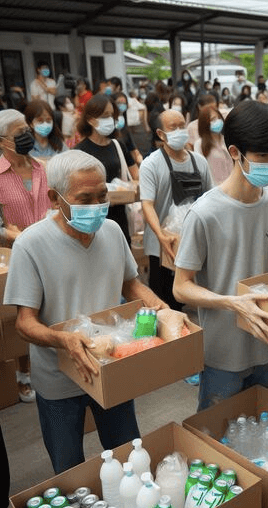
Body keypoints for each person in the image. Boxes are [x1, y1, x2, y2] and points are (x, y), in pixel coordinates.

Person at [3, 149, 173, 474]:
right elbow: (25, 324)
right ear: (54, 198)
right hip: (59, 378)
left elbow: (131, 284)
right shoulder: (31, 245)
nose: (96, 206)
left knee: (128, 455)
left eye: (102, 195)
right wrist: (63, 339)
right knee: (69, 468)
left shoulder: (111, 231)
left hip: (112, 365)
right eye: (84, 198)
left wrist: (161, 308)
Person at [172, 100, 268, 410]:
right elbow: (181, 286)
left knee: (263, 429)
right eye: (262, 155)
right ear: (234, 152)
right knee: (217, 436)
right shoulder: (205, 213)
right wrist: (231, 302)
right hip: (222, 352)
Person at [0, 109, 53, 404]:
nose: (26, 137)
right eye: (18, 133)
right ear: (2, 141)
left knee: (49, 310)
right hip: (16, 255)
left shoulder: (41, 168)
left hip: (47, 250)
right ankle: (23, 373)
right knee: (23, 314)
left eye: (26, 131)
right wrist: (7, 232)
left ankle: (47, 367)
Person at [139, 109, 213, 311]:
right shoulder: (151, 165)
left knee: (192, 296)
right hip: (161, 245)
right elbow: (147, 204)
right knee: (163, 302)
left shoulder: (200, 162)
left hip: (193, 241)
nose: (180, 131)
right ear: (161, 134)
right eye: (174, 127)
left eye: (182, 126)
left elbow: (210, 199)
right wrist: (161, 235)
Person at [75, 93, 138, 246]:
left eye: (112, 115)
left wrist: (129, 189)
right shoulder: (79, 151)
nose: (110, 120)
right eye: (105, 116)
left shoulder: (118, 145)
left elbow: (136, 175)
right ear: (91, 119)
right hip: (93, 218)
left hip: (119, 216)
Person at [194, 105, 231, 185]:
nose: (217, 121)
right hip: (214, 190)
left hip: (233, 187)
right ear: (205, 123)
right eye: (213, 119)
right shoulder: (199, 144)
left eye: (219, 118)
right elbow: (201, 171)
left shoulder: (227, 139)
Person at [112, 92, 143, 166]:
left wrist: (138, 158)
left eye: (124, 103)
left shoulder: (125, 127)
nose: (121, 106)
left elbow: (132, 148)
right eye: (118, 103)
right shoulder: (108, 128)